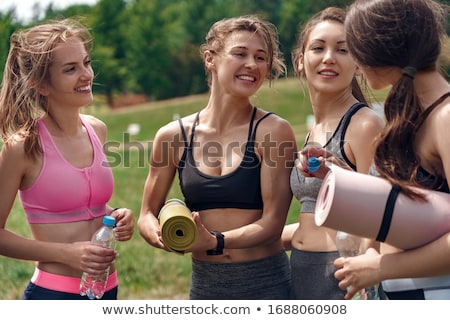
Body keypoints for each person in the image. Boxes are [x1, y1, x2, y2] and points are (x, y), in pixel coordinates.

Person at [138, 15, 296, 299]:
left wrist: (215, 241)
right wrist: (162, 237)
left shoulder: (273, 131)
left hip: (267, 285)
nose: (252, 64)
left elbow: (273, 224)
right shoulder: (172, 136)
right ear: (211, 59)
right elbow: (147, 214)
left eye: (261, 58)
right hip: (205, 288)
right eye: (240, 53)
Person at [0, 18, 134, 300]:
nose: (87, 74)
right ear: (41, 84)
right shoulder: (23, 146)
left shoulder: (97, 129)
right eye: (71, 69)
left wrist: (115, 215)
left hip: (106, 291)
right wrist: (65, 253)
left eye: (86, 62)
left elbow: (83, 206)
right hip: (53, 295)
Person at [333, 0, 450, 300]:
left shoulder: (446, 117)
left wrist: (381, 267)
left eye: (355, 51)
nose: (356, 66)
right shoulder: (410, 116)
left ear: (379, 52)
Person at [282, 7, 384, 299]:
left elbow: (381, 212)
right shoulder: (314, 130)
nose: (329, 57)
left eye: (343, 49)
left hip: (340, 277)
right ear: (301, 61)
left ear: (359, 64)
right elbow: (314, 217)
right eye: (318, 48)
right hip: (301, 272)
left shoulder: (364, 123)